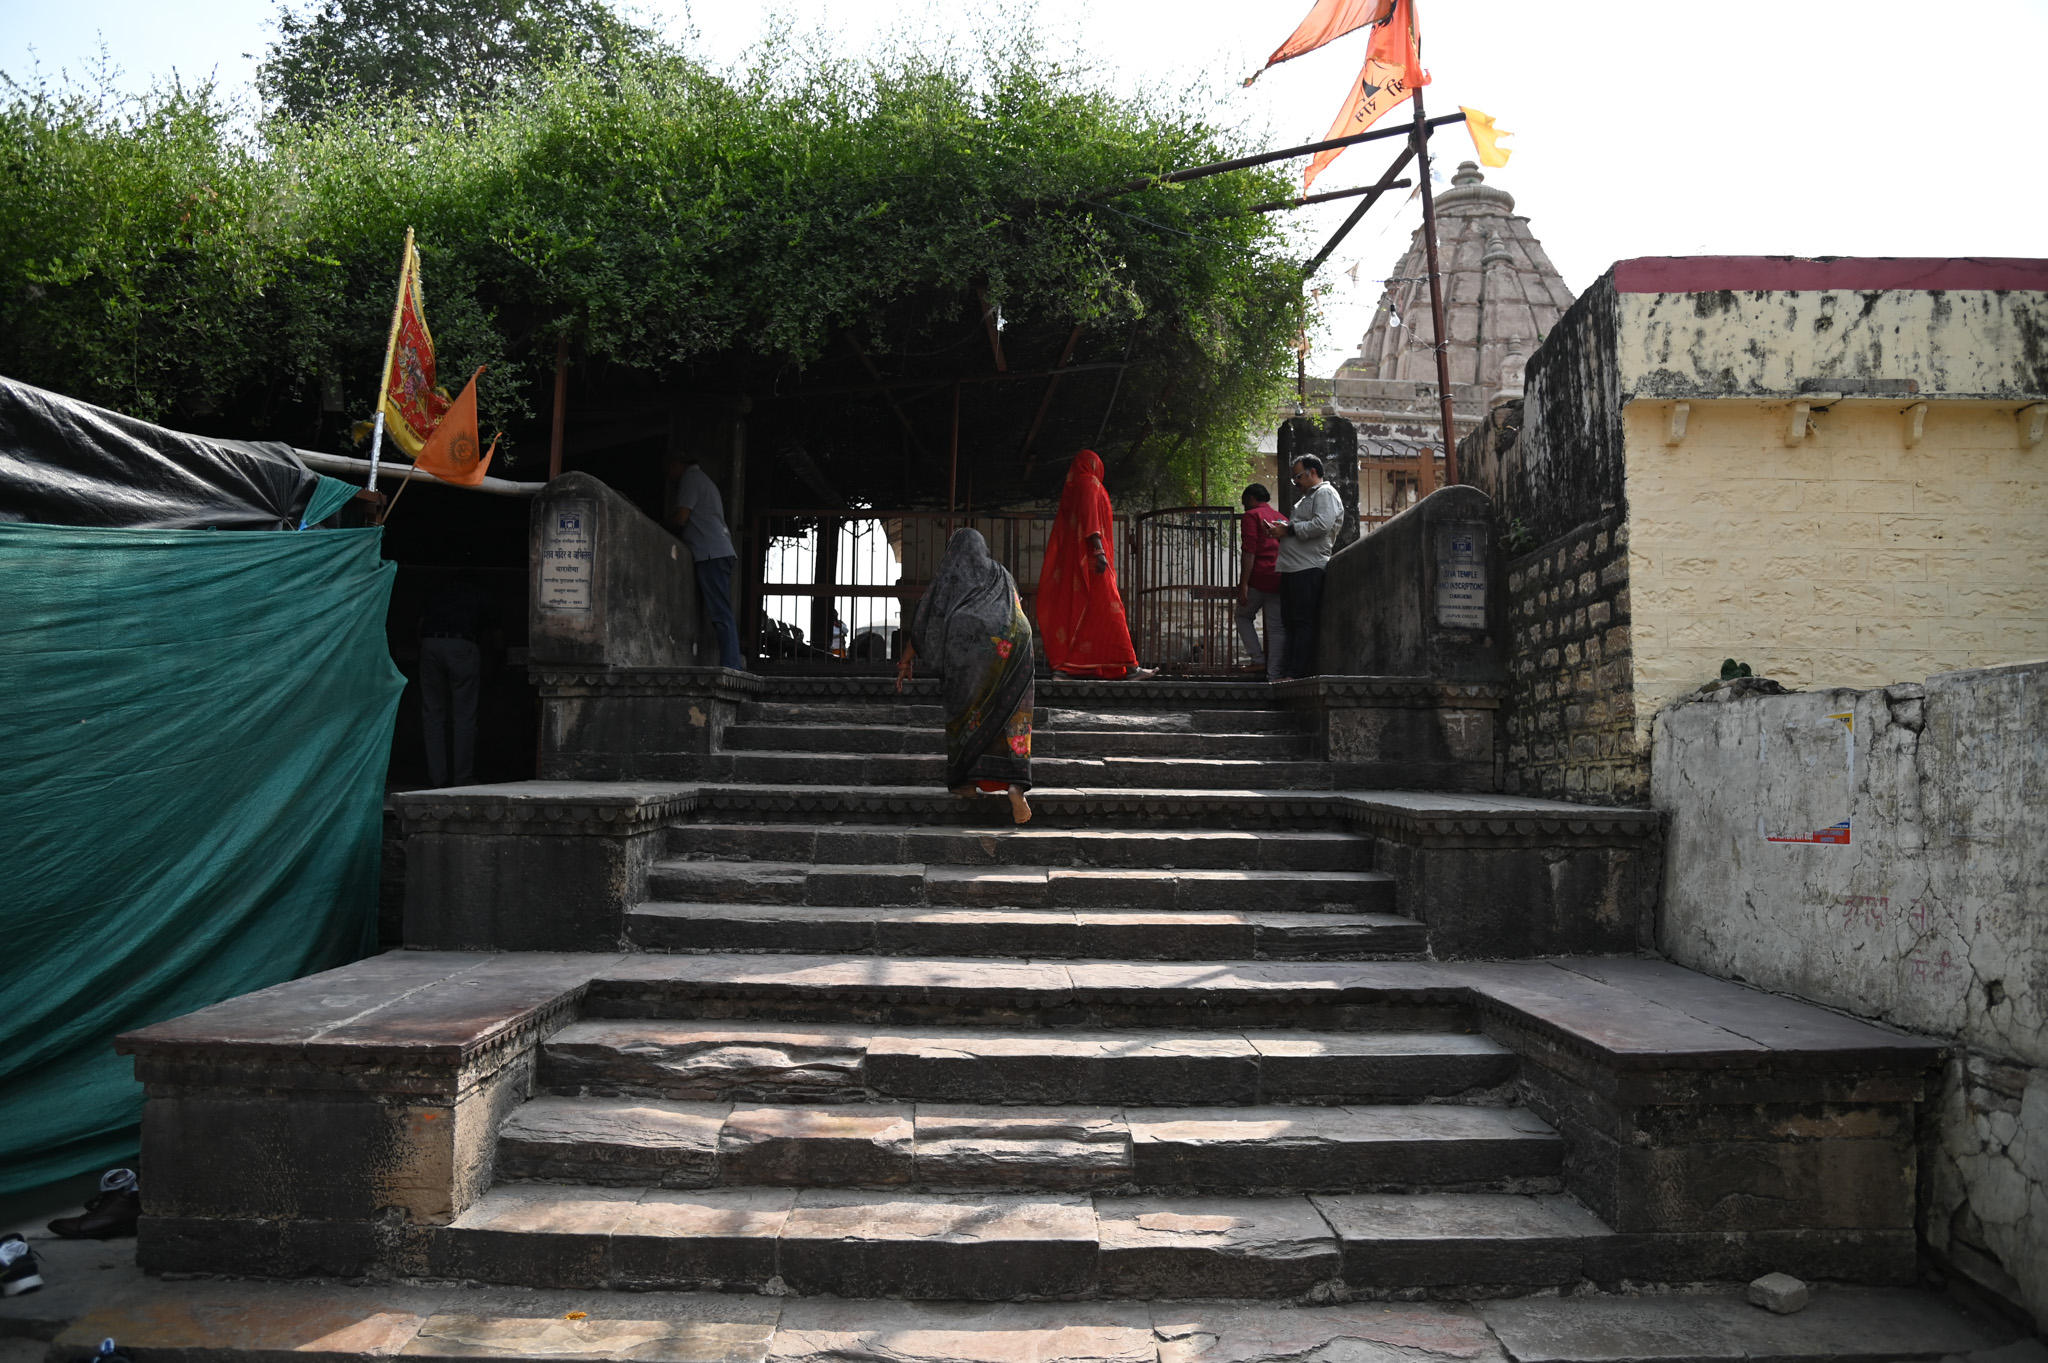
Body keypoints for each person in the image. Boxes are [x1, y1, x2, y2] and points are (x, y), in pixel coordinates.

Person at [897, 528, 1034, 824]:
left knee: (967, 713)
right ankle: (1015, 785)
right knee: (1011, 716)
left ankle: (966, 783)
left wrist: (907, 660)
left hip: (971, 642)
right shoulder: (1000, 571)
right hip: (1016, 640)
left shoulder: (953, 573)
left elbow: (925, 619)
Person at [1037, 448, 1156, 680]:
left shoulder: (1073, 488)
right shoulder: (1090, 482)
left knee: (1083, 614)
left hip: (1078, 565)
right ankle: (1131, 667)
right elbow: (1091, 518)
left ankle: (1065, 669)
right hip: (1093, 562)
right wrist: (1099, 551)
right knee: (1111, 609)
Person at [1264, 453, 1343, 680]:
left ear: (1313, 472)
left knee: (1301, 621)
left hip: (1307, 566)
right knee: (1289, 623)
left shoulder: (1325, 493)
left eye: (1298, 476)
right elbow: (1301, 528)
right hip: (1292, 567)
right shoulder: (1306, 498)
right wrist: (1281, 529)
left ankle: (1296, 673)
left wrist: (1287, 530)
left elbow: (1322, 524)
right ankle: (1288, 672)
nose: (1296, 482)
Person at [665, 451, 744, 671]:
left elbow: (681, 517)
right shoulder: (703, 480)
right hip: (717, 550)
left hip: (711, 553)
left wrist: (663, 524)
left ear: (677, 465)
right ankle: (732, 663)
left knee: (721, 614)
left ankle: (732, 666)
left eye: (670, 468)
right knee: (721, 612)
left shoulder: (691, 479)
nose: (669, 475)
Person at [419, 569, 498, 787]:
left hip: (430, 644)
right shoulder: (480, 596)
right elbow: (496, 633)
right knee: (464, 715)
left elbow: (420, 623)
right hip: (463, 645)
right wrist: (497, 660)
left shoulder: (438, 593)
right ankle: (462, 777)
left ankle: (437, 778)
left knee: (432, 714)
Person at [1234, 483, 1286, 681]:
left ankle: (1258, 659)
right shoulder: (1282, 518)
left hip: (1259, 576)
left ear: (1250, 498)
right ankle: (1274, 675)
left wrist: (1244, 583)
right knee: (1276, 628)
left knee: (1242, 616)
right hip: (1281, 576)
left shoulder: (1252, 516)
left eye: (1244, 502)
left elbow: (1249, 550)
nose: (1244, 507)